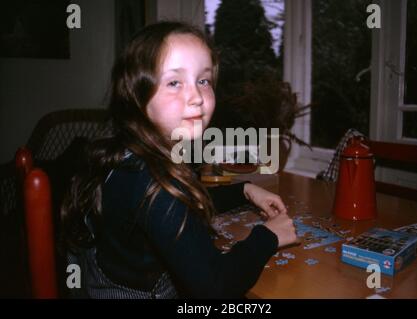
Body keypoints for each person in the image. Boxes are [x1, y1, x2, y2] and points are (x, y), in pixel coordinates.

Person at [61, 21, 297, 299]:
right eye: (174, 82)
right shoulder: (155, 183)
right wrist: (267, 237)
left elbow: (180, 207)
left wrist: (244, 190)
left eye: (203, 80)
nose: (196, 96)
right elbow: (215, 287)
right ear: (137, 95)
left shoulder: (130, 153)